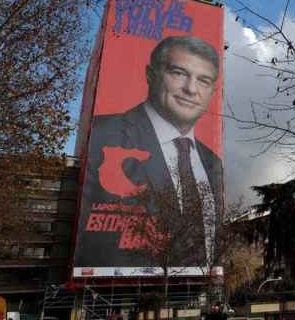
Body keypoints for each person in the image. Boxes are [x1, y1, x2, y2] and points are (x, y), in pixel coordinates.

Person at [74, 36, 223, 269]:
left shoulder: (212, 161)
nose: (191, 89)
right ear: (150, 74)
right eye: (178, 73)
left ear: (212, 93)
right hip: (116, 285)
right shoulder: (102, 133)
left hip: (196, 284)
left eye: (203, 81)